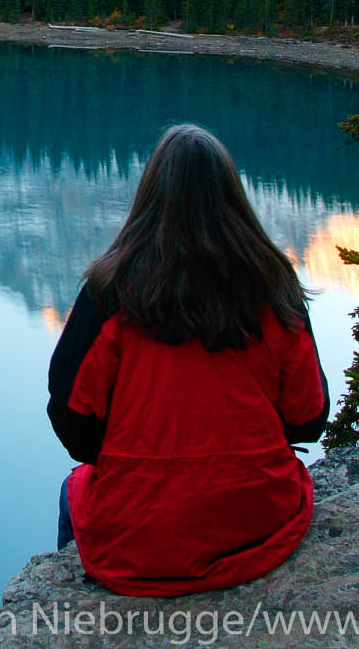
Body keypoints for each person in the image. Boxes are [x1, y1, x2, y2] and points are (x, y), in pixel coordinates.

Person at [46, 124, 329, 596]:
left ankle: (69, 607)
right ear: (232, 197)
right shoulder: (275, 290)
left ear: (150, 196)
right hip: (259, 527)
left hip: (136, 541)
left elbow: (73, 422)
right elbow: (308, 419)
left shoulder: (109, 293)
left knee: (71, 491)